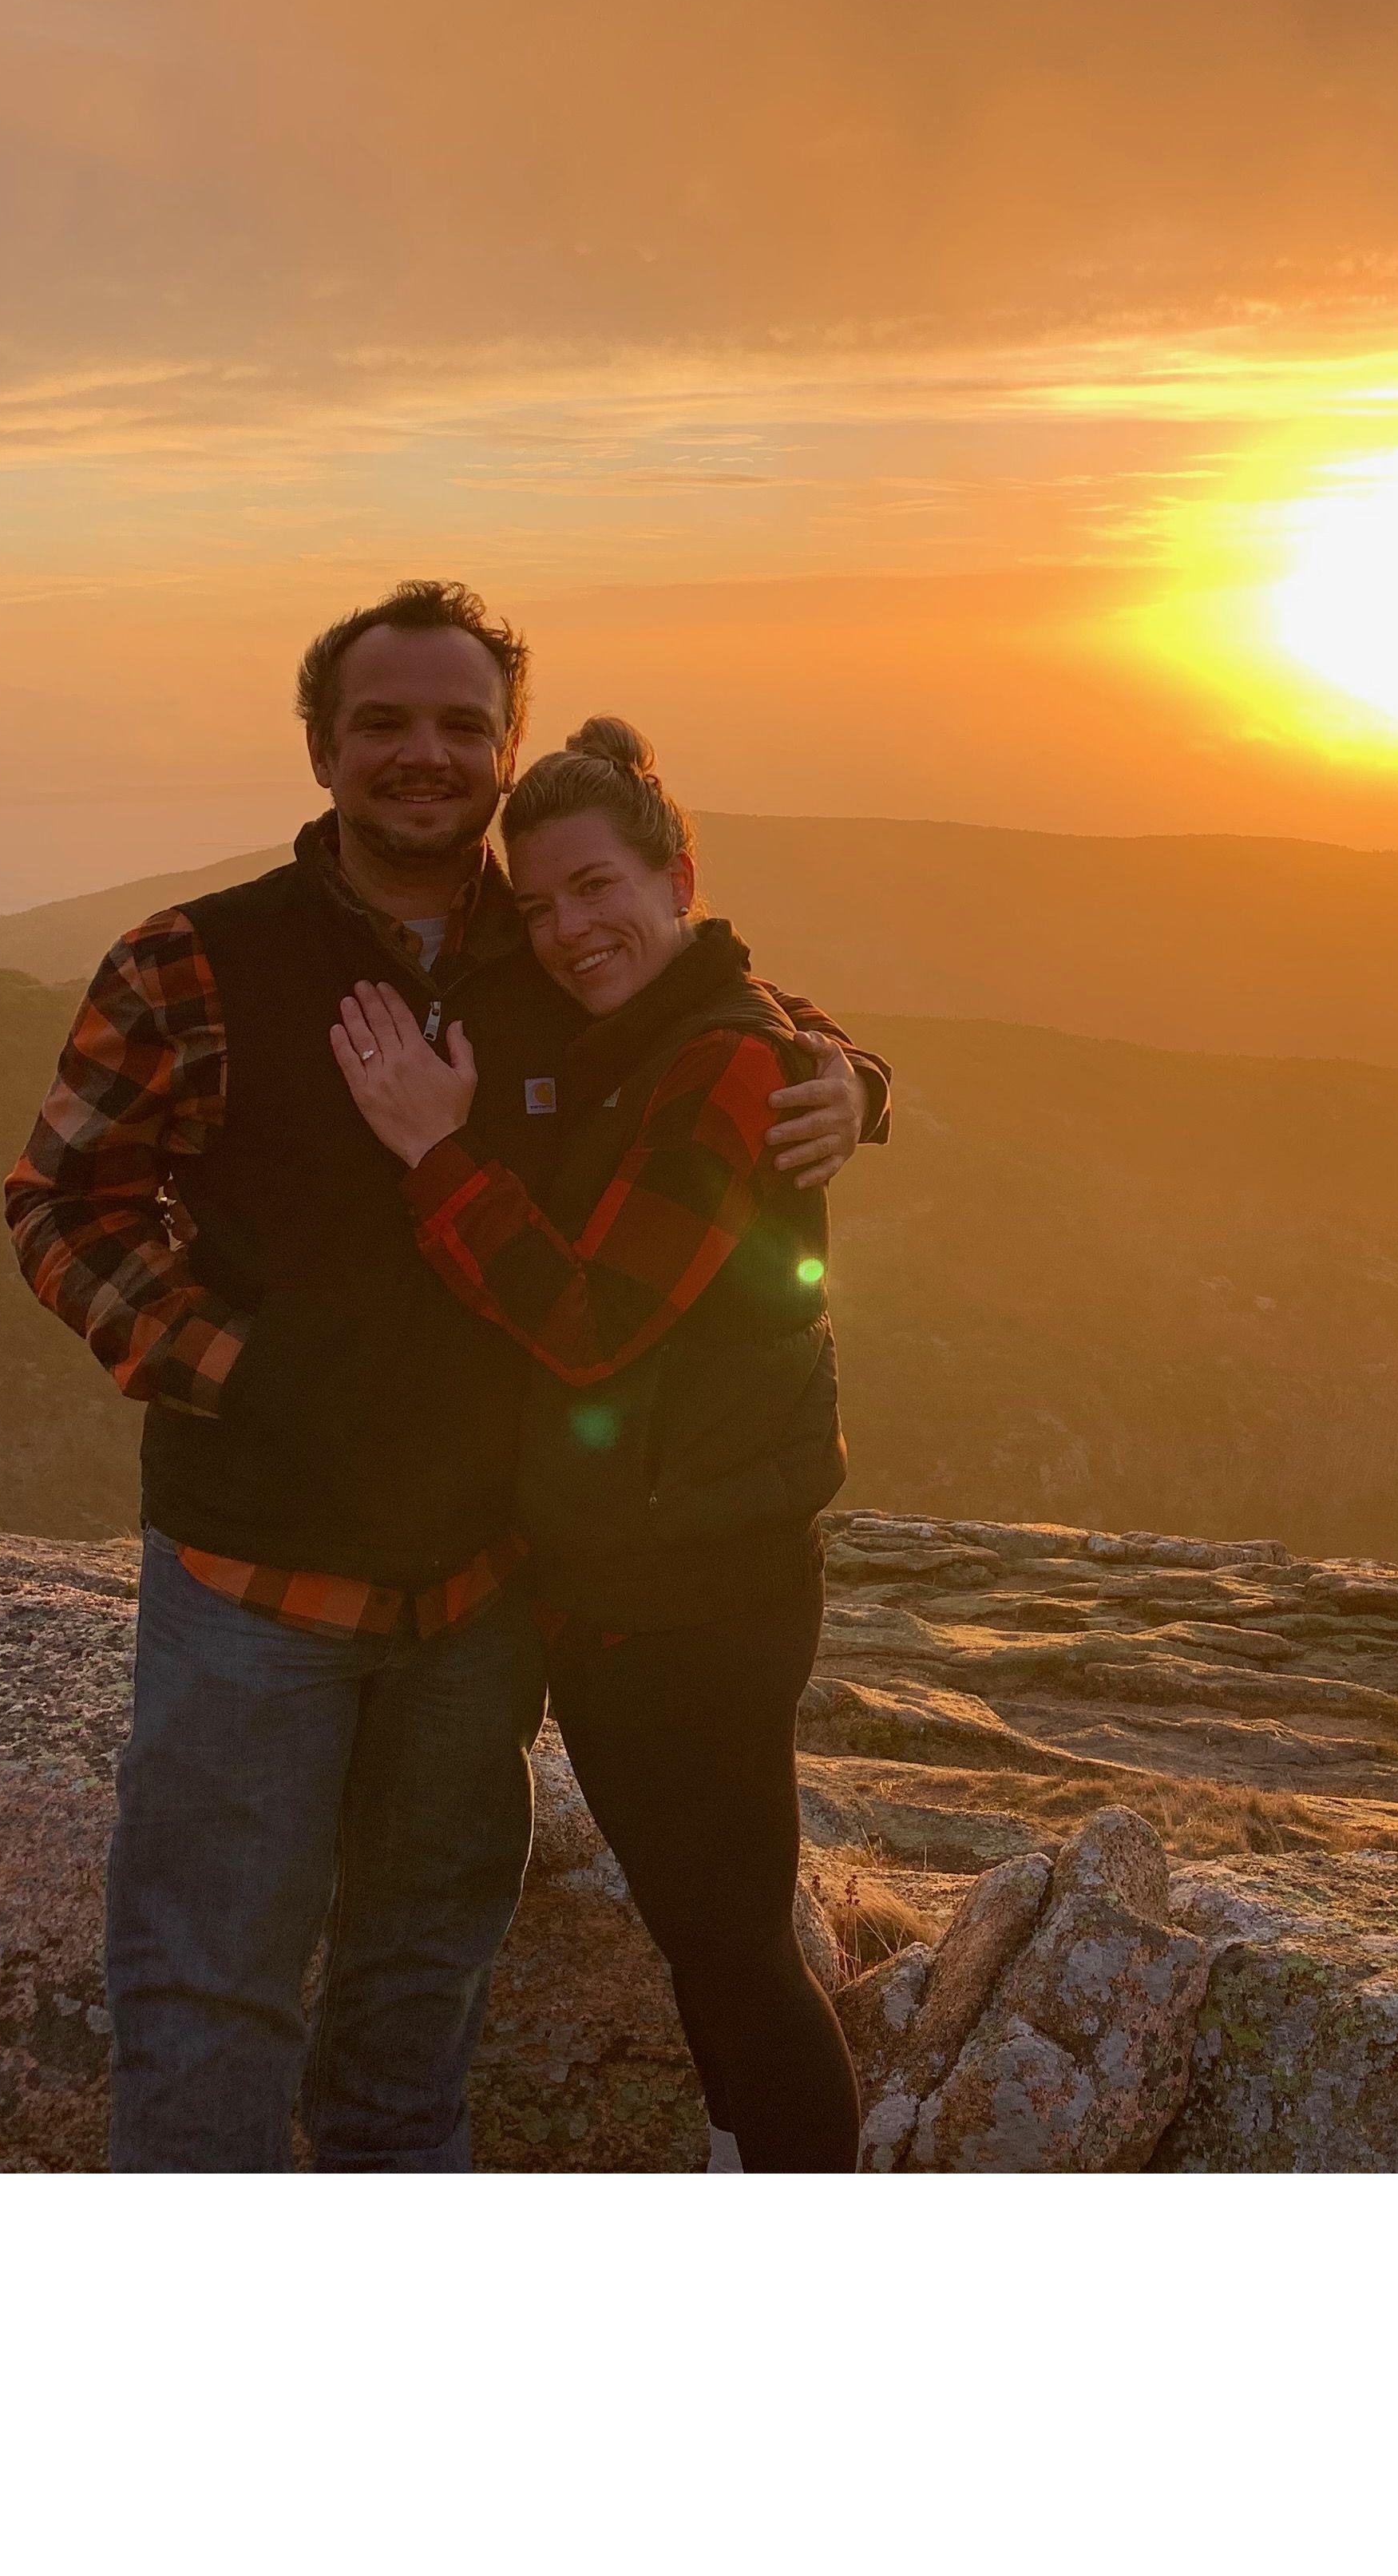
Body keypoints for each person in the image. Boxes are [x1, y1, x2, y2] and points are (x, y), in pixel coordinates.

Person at [5, 581, 885, 2171]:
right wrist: (242, 1372)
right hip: (253, 1586)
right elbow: (65, 1205)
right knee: (209, 1997)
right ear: (324, 749)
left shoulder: (544, 937)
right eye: (385, 724)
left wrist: (845, 1071)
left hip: (484, 1593)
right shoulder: (195, 963)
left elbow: (706, 992)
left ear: (507, 750)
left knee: (419, 2001)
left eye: (462, 726)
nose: (426, 754)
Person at [327, 715, 865, 2172]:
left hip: (693, 1599)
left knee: (737, 1945)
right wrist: (858, 1069)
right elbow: (759, 1010)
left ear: (674, 873)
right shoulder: (648, 1032)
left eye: (597, 889)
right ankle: (740, 2153)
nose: (567, 930)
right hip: (643, 1579)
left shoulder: (718, 1064)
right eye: (541, 901)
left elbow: (582, 1323)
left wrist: (435, 1151)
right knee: (713, 1936)